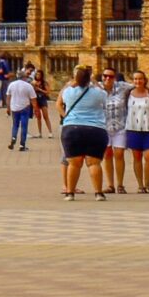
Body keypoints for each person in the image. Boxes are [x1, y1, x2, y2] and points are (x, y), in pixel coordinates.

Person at [58, 65, 112, 201]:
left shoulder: (68, 92)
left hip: (72, 128)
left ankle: (70, 193)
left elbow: (61, 99)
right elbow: (106, 96)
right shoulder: (98, 93)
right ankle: (98, 193)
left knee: (74, 163)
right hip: (95, 129)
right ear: (89, 79)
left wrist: (72, 83)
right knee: (94, 163)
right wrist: (94, 82)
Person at [123, 69, 149, 193]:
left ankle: (148, 184)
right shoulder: (128, 93)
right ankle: (140, 185)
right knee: (137, 157)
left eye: (140, 79)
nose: (138, 81)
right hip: (133, 129)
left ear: (145, 80)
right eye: (135, 79)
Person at [101, 70, 132, 192]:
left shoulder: (122, 86)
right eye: (105, 76)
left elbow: (138, 84)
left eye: (111, 76)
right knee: (107, 155)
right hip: (103, 126)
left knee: (119, 154)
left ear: (115, 78)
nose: (108, 78)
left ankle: (120, 184)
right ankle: (110, 185)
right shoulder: (96, 88)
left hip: (120, 126)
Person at [5, 67, 38, 151]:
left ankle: (13, 137)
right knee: (24, 126)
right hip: (25, 108)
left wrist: (8, 108)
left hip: (14, 108)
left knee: (15, 125)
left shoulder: (11, 85)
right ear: (24, 77)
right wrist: (36, 110)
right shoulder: (28, 86)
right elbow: (33, 99)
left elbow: (8, 97)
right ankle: (22, 145)